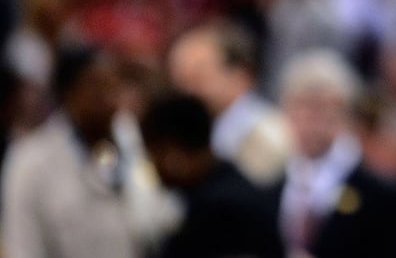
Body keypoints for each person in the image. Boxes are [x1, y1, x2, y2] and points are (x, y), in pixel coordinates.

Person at [1, 44, 143, 257]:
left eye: (113, 86)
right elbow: (23, 246)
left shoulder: (127, 140)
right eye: (97, 87)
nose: (109, 99)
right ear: (68, 92)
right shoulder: (30, 160)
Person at [276, 47, 396, 258]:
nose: (310, 118)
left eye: (321, 107)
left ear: (345, 112)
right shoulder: (268, 182)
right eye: (301, 105)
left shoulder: (383, 193)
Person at [139, 89, 285, 258]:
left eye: (153, 154)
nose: (153, 165)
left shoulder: (218, 212)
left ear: (173, 153)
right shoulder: (228, 186)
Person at [167, 18, 292, 187]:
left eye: (198, 77)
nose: (189, 91)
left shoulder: (270, 136)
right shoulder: (187, 136)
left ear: (240, 74)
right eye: (181, 81)